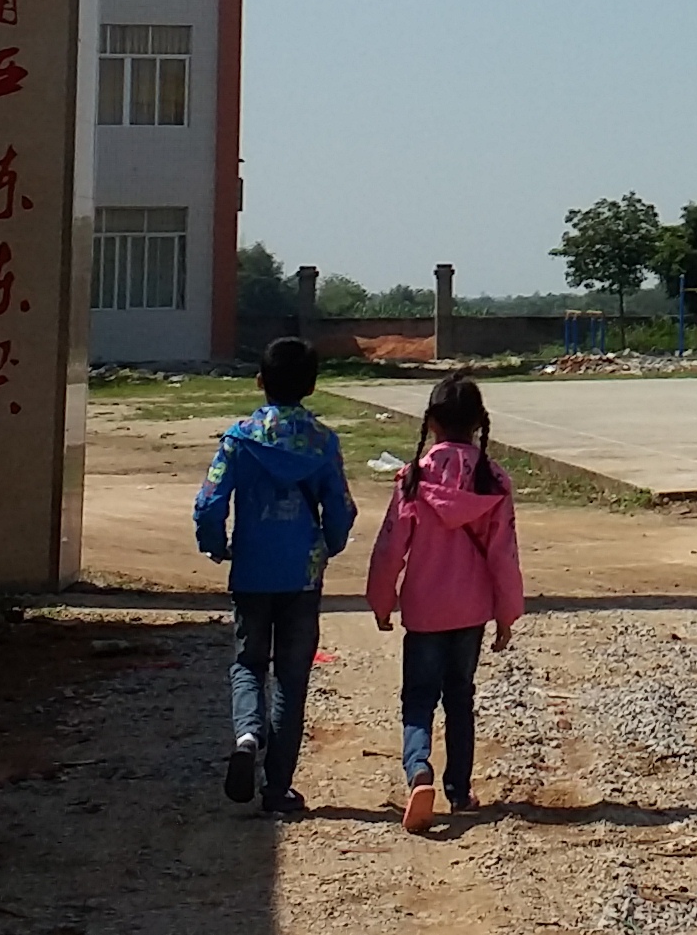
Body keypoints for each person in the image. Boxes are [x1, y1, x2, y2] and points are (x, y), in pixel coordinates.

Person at [191, 336, 355, 815]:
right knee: (291, 677)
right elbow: (340, 509)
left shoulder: (239, 439)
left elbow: (209, 502)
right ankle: (278, 787)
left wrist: (217, 546)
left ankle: (246, 736)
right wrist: (329, 545)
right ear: (312, 385)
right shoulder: (323, 442)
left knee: (247, 663)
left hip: (252, 571)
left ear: (260, 380)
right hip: (302, 575)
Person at [362, 373, 526, 832]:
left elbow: (391, 547)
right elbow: (504, 554)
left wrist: (381, 600)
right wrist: (507, 614)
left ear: (431, 422)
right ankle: (459, 788)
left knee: (418, 698)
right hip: (471, 612)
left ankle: (419, 771)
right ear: (479, 423)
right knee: (460, 697)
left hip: (424, 610)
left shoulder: (414, 477)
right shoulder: (493, 482)